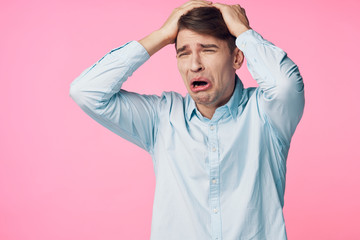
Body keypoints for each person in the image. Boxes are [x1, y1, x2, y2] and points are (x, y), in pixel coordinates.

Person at [69, 1, 305, 239]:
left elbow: (286, 85)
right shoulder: (161, 117)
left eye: (208, 50)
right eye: (184, 53)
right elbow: (86, 91)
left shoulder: (267, 113)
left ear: (236, 58)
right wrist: (161, 35)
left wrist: (243, 32)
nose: (194, 65)